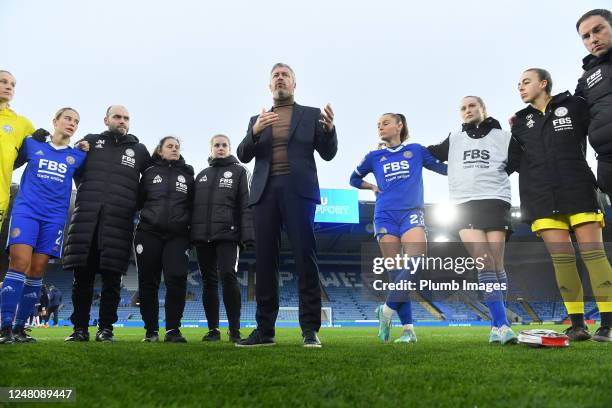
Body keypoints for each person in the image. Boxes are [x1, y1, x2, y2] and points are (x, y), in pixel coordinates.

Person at [236, 63, 337, 347]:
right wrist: (254, 131)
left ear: (294, 84)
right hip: (265, 193)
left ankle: (310, 330)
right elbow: (243, 155)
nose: (280, 79)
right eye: (275, 76)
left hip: (299, 191)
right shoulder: (258, 118)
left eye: (285, 76)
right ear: (270, 86)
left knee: (306, 258)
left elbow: (328, 154)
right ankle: (265, 331)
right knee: (265, 262)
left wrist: (329, 131)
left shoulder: (311, 115)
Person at [507, 68, 612, 342]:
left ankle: (608, 325)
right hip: (541, 198)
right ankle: (577, 325)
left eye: (526, 82)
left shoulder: (574, 105)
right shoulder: (520, 122)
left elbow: (602, 126)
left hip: (578, 188)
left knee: (594, 256)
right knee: (562, 261)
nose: (520, 87)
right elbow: (512, 162)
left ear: (543, 83)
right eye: (518, 84)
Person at [350, 113, 447, 343]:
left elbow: (442, 169)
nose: (380, 127)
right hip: (384, 216)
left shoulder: (415, 150)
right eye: (378, 125)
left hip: (411, 212)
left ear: (399, 125)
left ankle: (385, 312)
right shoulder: (374, 156)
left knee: (417, 261)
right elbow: (353, 179)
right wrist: (371, 185)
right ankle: (408, 331)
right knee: (395, 274)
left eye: (385, 123)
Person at [428, 97, 517, 345]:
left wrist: (491, 175)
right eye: (463, 108)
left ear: (483, 109)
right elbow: (428, 154)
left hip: (496, 201)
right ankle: (503, 325)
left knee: (498, 265)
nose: (467, 111)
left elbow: (519, 162)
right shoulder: (454, 139)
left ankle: (495, 327)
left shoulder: (504, 137)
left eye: (472, 106)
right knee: (485, 262)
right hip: (464, 205)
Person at [63, 105, 151, 342]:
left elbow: (151, 182)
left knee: (112, 281)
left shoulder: (139, 150)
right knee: (83, 279)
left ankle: (106, 329)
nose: (122, 121)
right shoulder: (90, 142)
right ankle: (79, 328)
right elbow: (71, 166)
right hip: (87, 220)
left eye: (126, 118)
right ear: (106, 120)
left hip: (119, 223)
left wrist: (133, 203)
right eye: (117, 117)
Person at [0, 107, 87, 343]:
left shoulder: (78, 156)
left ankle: (19, 328)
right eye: (67, 118)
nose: (71, 123)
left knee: (37, 270)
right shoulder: (32, 144)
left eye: (76, 121)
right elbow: (8, 160)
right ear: (55, 121)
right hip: (27, 211)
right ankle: (4, 326)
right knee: (19, 263)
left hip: (55, 217)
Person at [192, 134, 253, 343]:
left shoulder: (239, 172)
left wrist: (248, 235)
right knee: (209, 281)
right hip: (202, 237)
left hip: (229, 235)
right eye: (216, 145)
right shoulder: (201, 175)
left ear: (229, 148)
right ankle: (213, 330)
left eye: (224, 145)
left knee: (228, 275)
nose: (220, 148)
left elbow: (246, 205)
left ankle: (234, 330)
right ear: (211, 149)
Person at [134, 136, 194, 343]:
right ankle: (151, 330)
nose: (175, 149)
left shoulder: (187, 174)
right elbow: (138, 201)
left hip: (178, 235)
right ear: (160, 150)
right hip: (148, 233)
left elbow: (193, 205)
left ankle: (172, 330)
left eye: (177, 147)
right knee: (148, 281)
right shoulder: (149, 173)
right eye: (170, 146)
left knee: (176, 278)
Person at [575, 9, 612, 195]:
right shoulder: (586, 77)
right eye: (586, 36)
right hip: (607, 161)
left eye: (598, 30)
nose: (593, 39)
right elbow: (573, 111)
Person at [0, 70, 35, 229]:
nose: (9, 87)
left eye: (12, 85)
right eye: (3, 82)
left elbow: (51, 145)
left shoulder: (21, 123)